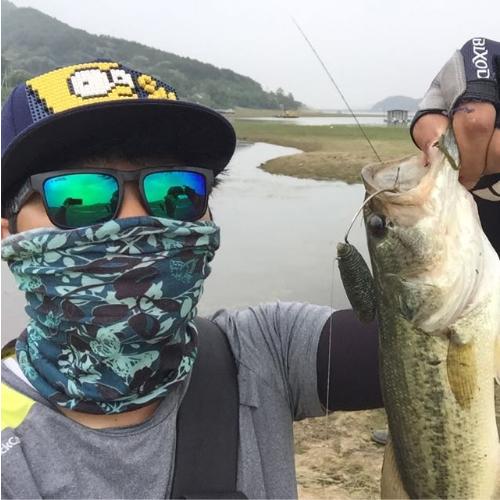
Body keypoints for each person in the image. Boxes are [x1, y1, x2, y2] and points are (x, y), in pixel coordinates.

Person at [0, 61, 382, 499]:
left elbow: (437, 340)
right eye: (79, 196)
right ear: (9, 233)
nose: (136, 220)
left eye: (175, 192)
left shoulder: (264, 349)